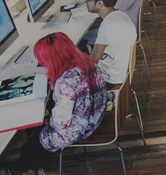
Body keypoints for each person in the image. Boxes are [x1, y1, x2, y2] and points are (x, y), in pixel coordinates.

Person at [0, 33, 106, 174]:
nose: (42, 63)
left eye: (43, 60)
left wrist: (47, 121)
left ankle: (22, 170)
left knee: (31, 146)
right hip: (96, 116)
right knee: (42, 119)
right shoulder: (86, 61)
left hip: (80, 130)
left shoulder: (65, 83)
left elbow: (61, 124)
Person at [84, 0, 137, 88]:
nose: (85, 3)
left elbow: (92, 61)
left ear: (99, 3)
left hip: (110, 80)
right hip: (122, 73)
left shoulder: (107, 25)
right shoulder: (121, 14)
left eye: (88, 0)